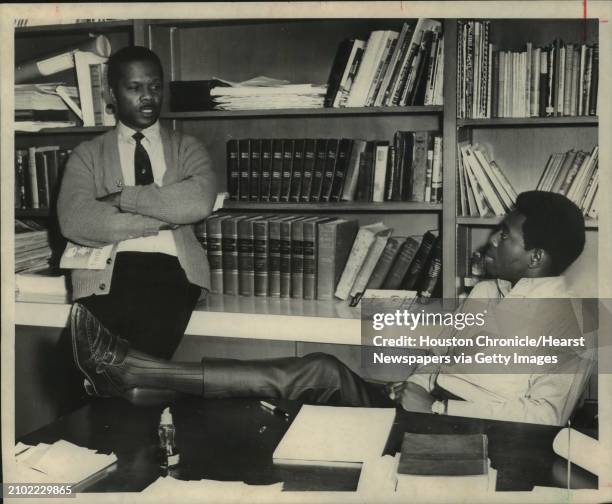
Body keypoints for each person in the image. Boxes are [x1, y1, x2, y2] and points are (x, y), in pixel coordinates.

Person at [70, 191, 593, 426]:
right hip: (418, 407)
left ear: (536, 259)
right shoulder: (486, 292)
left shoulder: (570, 323)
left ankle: (134, 371)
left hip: (462, 434)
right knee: (316, 370)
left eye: (505, 236)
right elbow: (441, 360)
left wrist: (439, 409)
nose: (491, 242)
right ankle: (139, 374)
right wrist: (416, 383)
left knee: (312, 377)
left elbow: (545, 417)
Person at [58, 46, 217, 362]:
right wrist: (161, 218)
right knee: (79, 368)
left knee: (120, 372)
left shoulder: (188, 148)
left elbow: (198, 201)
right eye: (134, 88)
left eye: (155, 87)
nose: (148, 96)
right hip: (106, 278)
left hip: (172, 273)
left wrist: (120, 200)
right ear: (111, 93)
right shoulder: (87, 155)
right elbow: (74, 220)